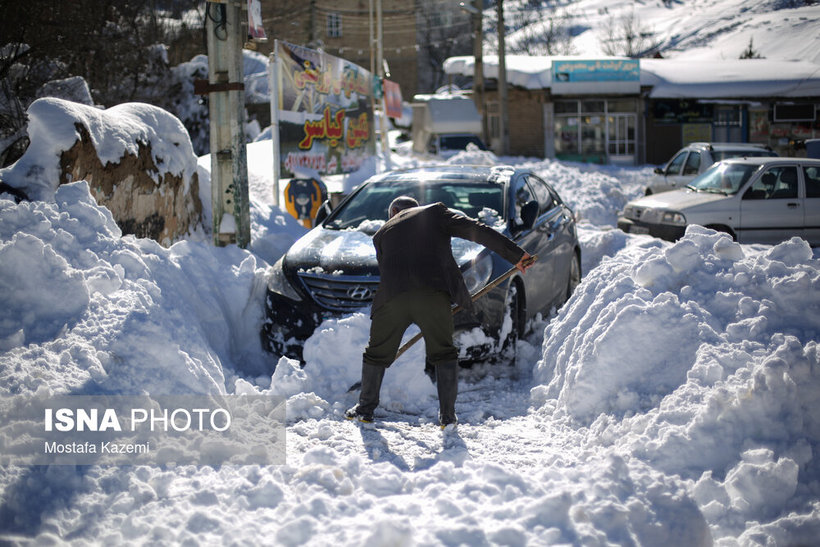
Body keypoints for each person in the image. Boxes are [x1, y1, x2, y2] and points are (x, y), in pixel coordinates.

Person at [345, 195, 533, 428]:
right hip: (432, 294)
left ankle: (365, 409)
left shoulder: (382, 234)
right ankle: (447, 417)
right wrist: (516, 255)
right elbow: (478, 230)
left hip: (392, 298)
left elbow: (389, 273)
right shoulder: (434, 212)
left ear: (393, 213)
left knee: (376, 354)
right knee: (444, 353)